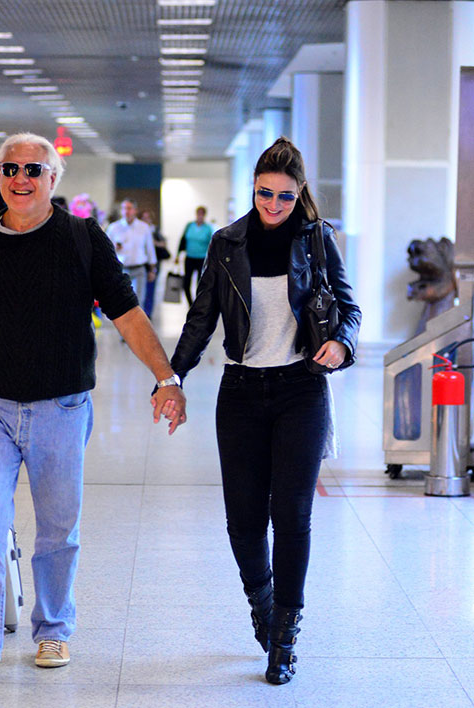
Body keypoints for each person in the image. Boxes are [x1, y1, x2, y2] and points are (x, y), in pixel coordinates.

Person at [0, 132, 186, 683]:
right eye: (10, 168)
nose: (21, 179)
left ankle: (53, 631)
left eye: (33, 170)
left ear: (53, 180)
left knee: (57, 529)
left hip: (61, 407)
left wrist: (166, 376)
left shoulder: (81, 238)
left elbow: (126, 311)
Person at [169, 137, 361, 685]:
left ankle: (284, 635)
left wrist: (342, 344)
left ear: (299, 194)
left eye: (282, 196)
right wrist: (172, 377)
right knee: (244, 522)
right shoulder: (228, 242)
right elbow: (202, 317)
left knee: (292, 515)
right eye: (263, 194)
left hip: (302, 390)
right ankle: (262, 600)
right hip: (241, 394)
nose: (272, 206)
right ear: (251, 189)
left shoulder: (318, 240)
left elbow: (350, 309)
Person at [105, 199, 157, 306]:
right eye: (123, 208)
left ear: (135, 210)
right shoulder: (113, 228)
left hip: (139, 269)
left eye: (129, 208)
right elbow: (105, 249)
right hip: (121, 270)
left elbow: (150, 249)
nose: (126, 211)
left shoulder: (144, 227)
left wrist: (152, 270)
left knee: (138, 303)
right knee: (121, 303)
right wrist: (113, 247)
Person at [176, 206, 214, 306]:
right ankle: (190, 303)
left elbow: (212, 244)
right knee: (186, 282)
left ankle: (199, 303)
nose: (200, 216)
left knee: (200, 283)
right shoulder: (189, 226)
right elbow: (182, 240)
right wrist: (178, 255)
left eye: (202, 214)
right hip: (189, 258)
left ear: (204, 215)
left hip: (202, 259)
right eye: (198, 213)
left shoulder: (208, 228)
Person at [140, 209, 170, 318]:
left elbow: (164, 243)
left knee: (150, 288)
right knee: (140, 288)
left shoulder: (155, 230)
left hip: (154, 263)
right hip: (142, 263)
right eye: (143, 218)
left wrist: (155, 243)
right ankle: (141, 311)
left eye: (147, 217)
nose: (145, 220)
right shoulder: (139, 230)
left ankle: (148, 312)